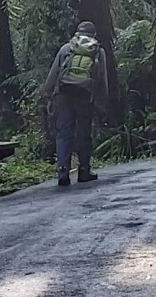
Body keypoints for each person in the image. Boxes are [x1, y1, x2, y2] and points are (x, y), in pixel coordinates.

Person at [45, 21, 109, 187]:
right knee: (83, 133)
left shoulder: (66, 49)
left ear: (77, 34)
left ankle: (63, 172)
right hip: (84, 95)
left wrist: (48, 94)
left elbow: (54, 74)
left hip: (63, 94)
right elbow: (102, 79)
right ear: (94, 35)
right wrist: (102, 100)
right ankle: (84, 171)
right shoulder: (98, 51)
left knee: (63, 133)